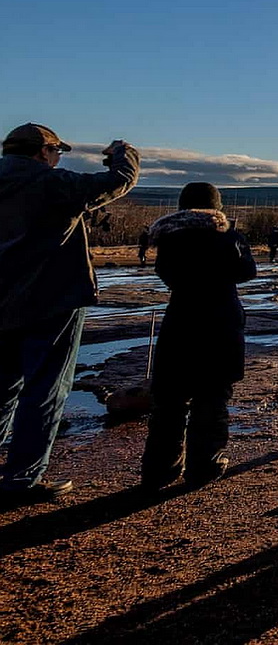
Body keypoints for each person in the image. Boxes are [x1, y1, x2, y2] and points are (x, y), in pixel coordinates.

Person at [0, 124, 139, 502]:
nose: (59, 158)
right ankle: (20, 480)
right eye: (57, 151)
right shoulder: (52, 183)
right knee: (44, 389)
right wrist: (122, 154)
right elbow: (118, 181)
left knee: (2, 390)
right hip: (52, 301)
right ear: (43, 151)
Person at [141, 183, 257, 490]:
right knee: (212, 397)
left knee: (169, 401)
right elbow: (247, 271)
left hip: (180, 320)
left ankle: (159, 469)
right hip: (220, 324)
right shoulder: (227, 237)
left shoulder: (169, 238)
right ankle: (204, 466)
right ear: (216, 206)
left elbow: (165, 274)